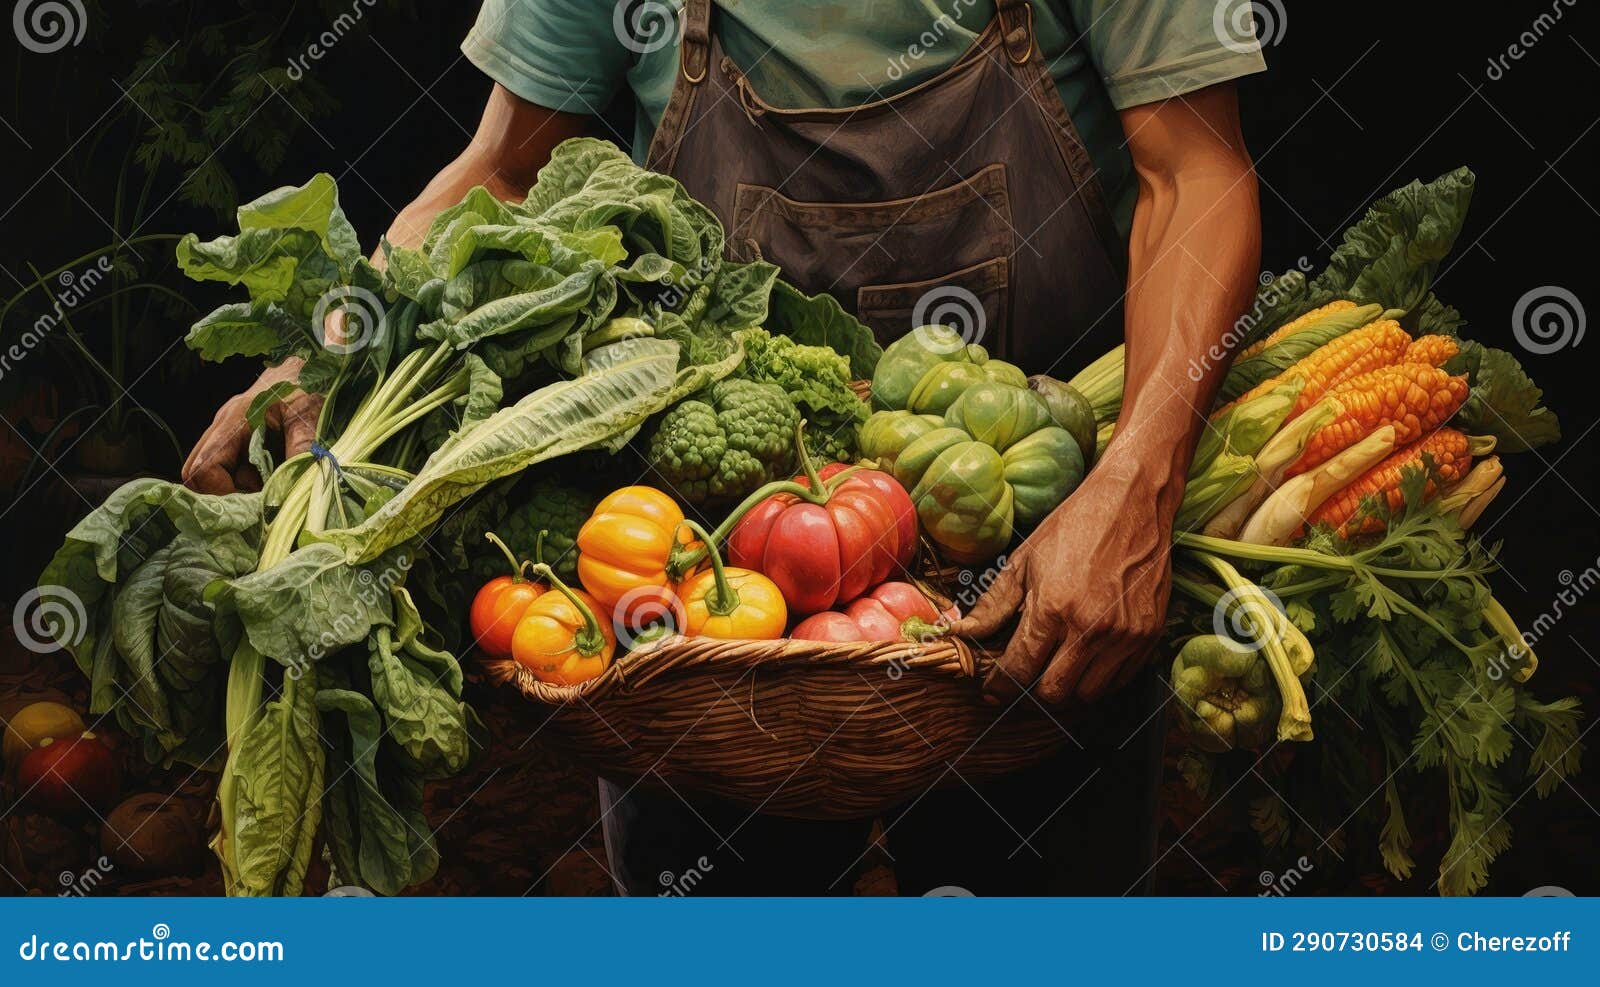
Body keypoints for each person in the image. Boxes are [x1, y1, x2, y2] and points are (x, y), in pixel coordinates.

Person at [183, 0, 1265, 895]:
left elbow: (1193, 172)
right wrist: (333, 339)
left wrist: (1132, 484)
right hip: (708, 573)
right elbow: (502, 173)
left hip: (1042, 551)